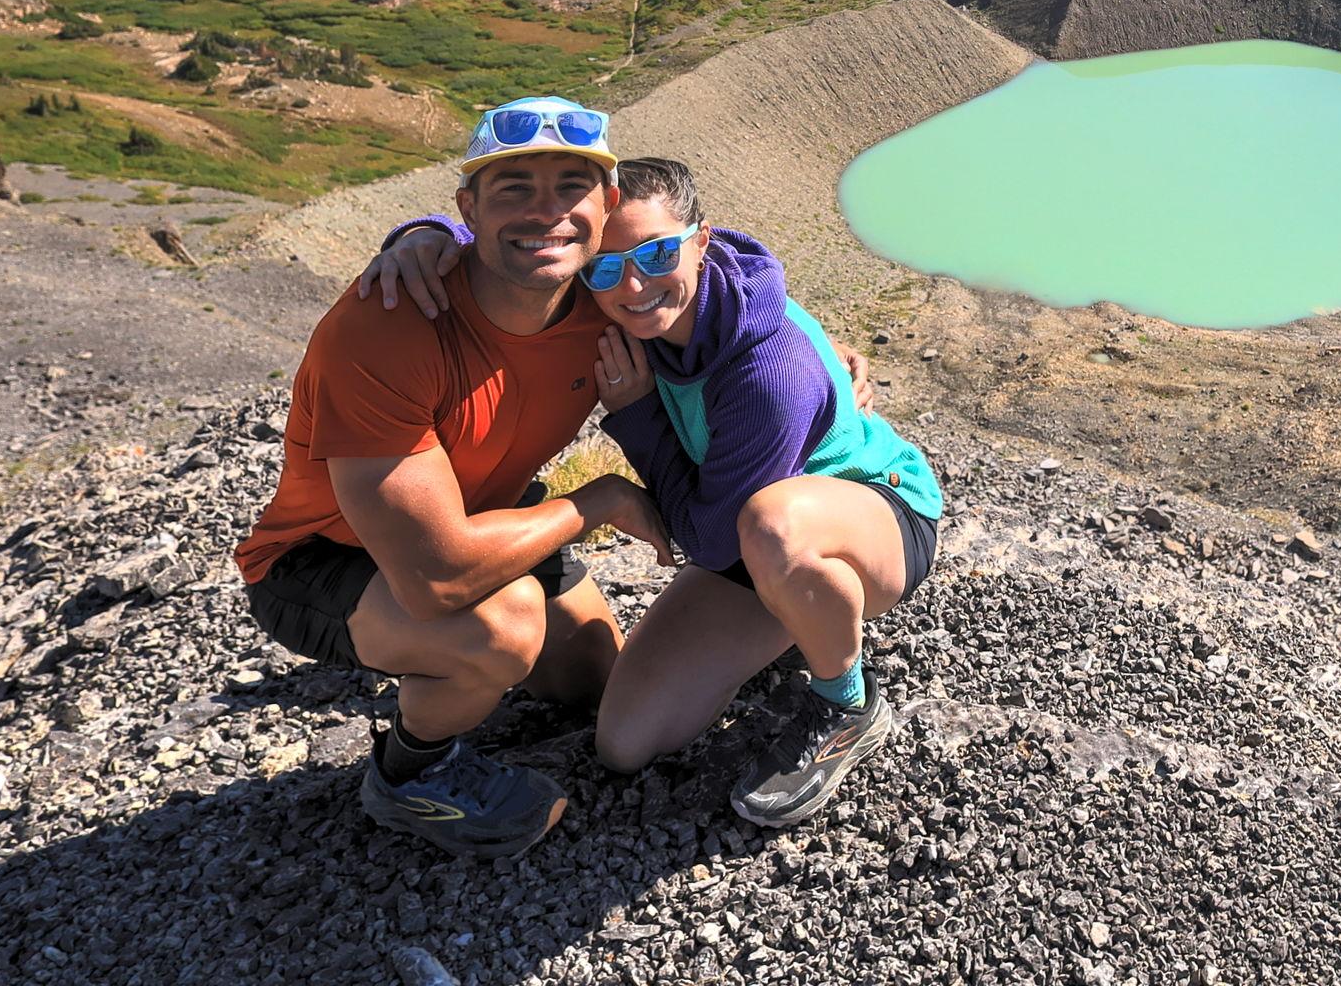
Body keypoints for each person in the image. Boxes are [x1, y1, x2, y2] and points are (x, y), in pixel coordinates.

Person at [367, 154, 942, 827]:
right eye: (605, 267)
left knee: (773, 525)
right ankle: (798, 618)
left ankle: (845, 703)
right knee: (624, 742)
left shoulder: (768, 374)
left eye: (658, 251)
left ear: (701, 239)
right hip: (747, 547)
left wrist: (638, 416)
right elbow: (514, 243)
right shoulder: (616, 295)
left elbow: (704, 539)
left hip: (867, 515)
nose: (634, 284)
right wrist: (420, 237)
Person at [234, 96, 671, 859]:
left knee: (599, 686)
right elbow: (435, 580)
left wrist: (826, 360)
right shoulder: (391, 322)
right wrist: (595, 501)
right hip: (320, 558)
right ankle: (411, 774)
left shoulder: (601, 302)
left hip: (484, 512)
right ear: (467, 209)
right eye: (512, 190)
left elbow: (715, 273)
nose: (547, 213)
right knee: (495, 632)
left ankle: (451, 683)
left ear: (608, 207)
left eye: (571, 186)